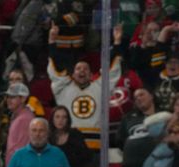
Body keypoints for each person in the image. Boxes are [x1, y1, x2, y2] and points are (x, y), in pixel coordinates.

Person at [48, 22, 123, 151]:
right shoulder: (63, 88)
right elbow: (56, 67)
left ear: (91, 74)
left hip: (95, 146)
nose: (82, 71)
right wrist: (52, 41)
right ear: (72, 73)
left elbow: (112, 70)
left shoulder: (100, 88)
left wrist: (117, 41)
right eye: (78, 69)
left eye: (85, 69)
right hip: (68, 146)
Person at [4, 82, 36, 167]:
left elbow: (19, 150)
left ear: (23, 99)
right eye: (8, 97)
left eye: (13, 97)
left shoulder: (24, 119)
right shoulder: (18, 116)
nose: (8, 100)